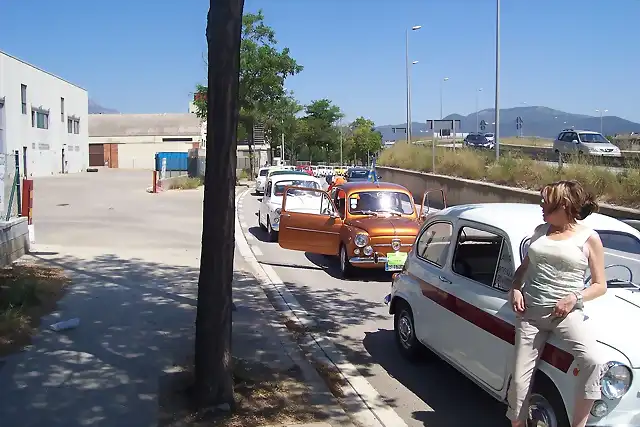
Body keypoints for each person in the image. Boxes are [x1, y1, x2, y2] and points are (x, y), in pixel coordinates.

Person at [507, 180, 606, 427]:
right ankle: (517, 423)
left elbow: (599, 285)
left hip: (565, 315)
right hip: (530, 314)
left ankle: (579, 424)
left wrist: (575, 297)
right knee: (519, 382)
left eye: (546, 202)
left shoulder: (589, 238)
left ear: (563, 205)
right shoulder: (541, 231)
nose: (541, 205)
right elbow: (523, 269)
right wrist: (516, 288)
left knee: (593, 360)